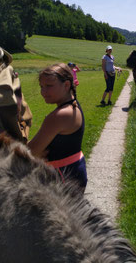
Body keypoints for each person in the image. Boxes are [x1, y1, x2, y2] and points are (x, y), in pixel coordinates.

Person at [28, 63, 87, 193]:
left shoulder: (58, 116)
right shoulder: (74, 106)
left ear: (66, 85)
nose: (43, 91)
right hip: (75, 171)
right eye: (41, 86)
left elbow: (30, 152)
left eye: (49, 86)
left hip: (61, 178)